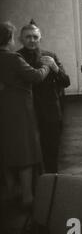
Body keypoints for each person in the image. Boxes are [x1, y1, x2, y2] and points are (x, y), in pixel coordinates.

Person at [0, 21, 56, 208]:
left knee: (7, 150)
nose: (32, 40)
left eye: (35, 37)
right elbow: (35, 77)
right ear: (12, 39)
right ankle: (27, 197)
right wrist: (48, 67)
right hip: (18, 108)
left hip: (5, 107)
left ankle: (10, 191)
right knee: (25, 151)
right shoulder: (13, 58)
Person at [17, 21, 70, 174]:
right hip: (26, 111)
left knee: (52, 149)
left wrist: (54, 67)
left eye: (35, 37)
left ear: (40, 38)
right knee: (29, 151)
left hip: (50, 109)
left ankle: (52, 181)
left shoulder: (50, 55)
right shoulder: (17, 57)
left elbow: (66, 82)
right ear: (21, 39)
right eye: (28, 37)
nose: (32, 40)